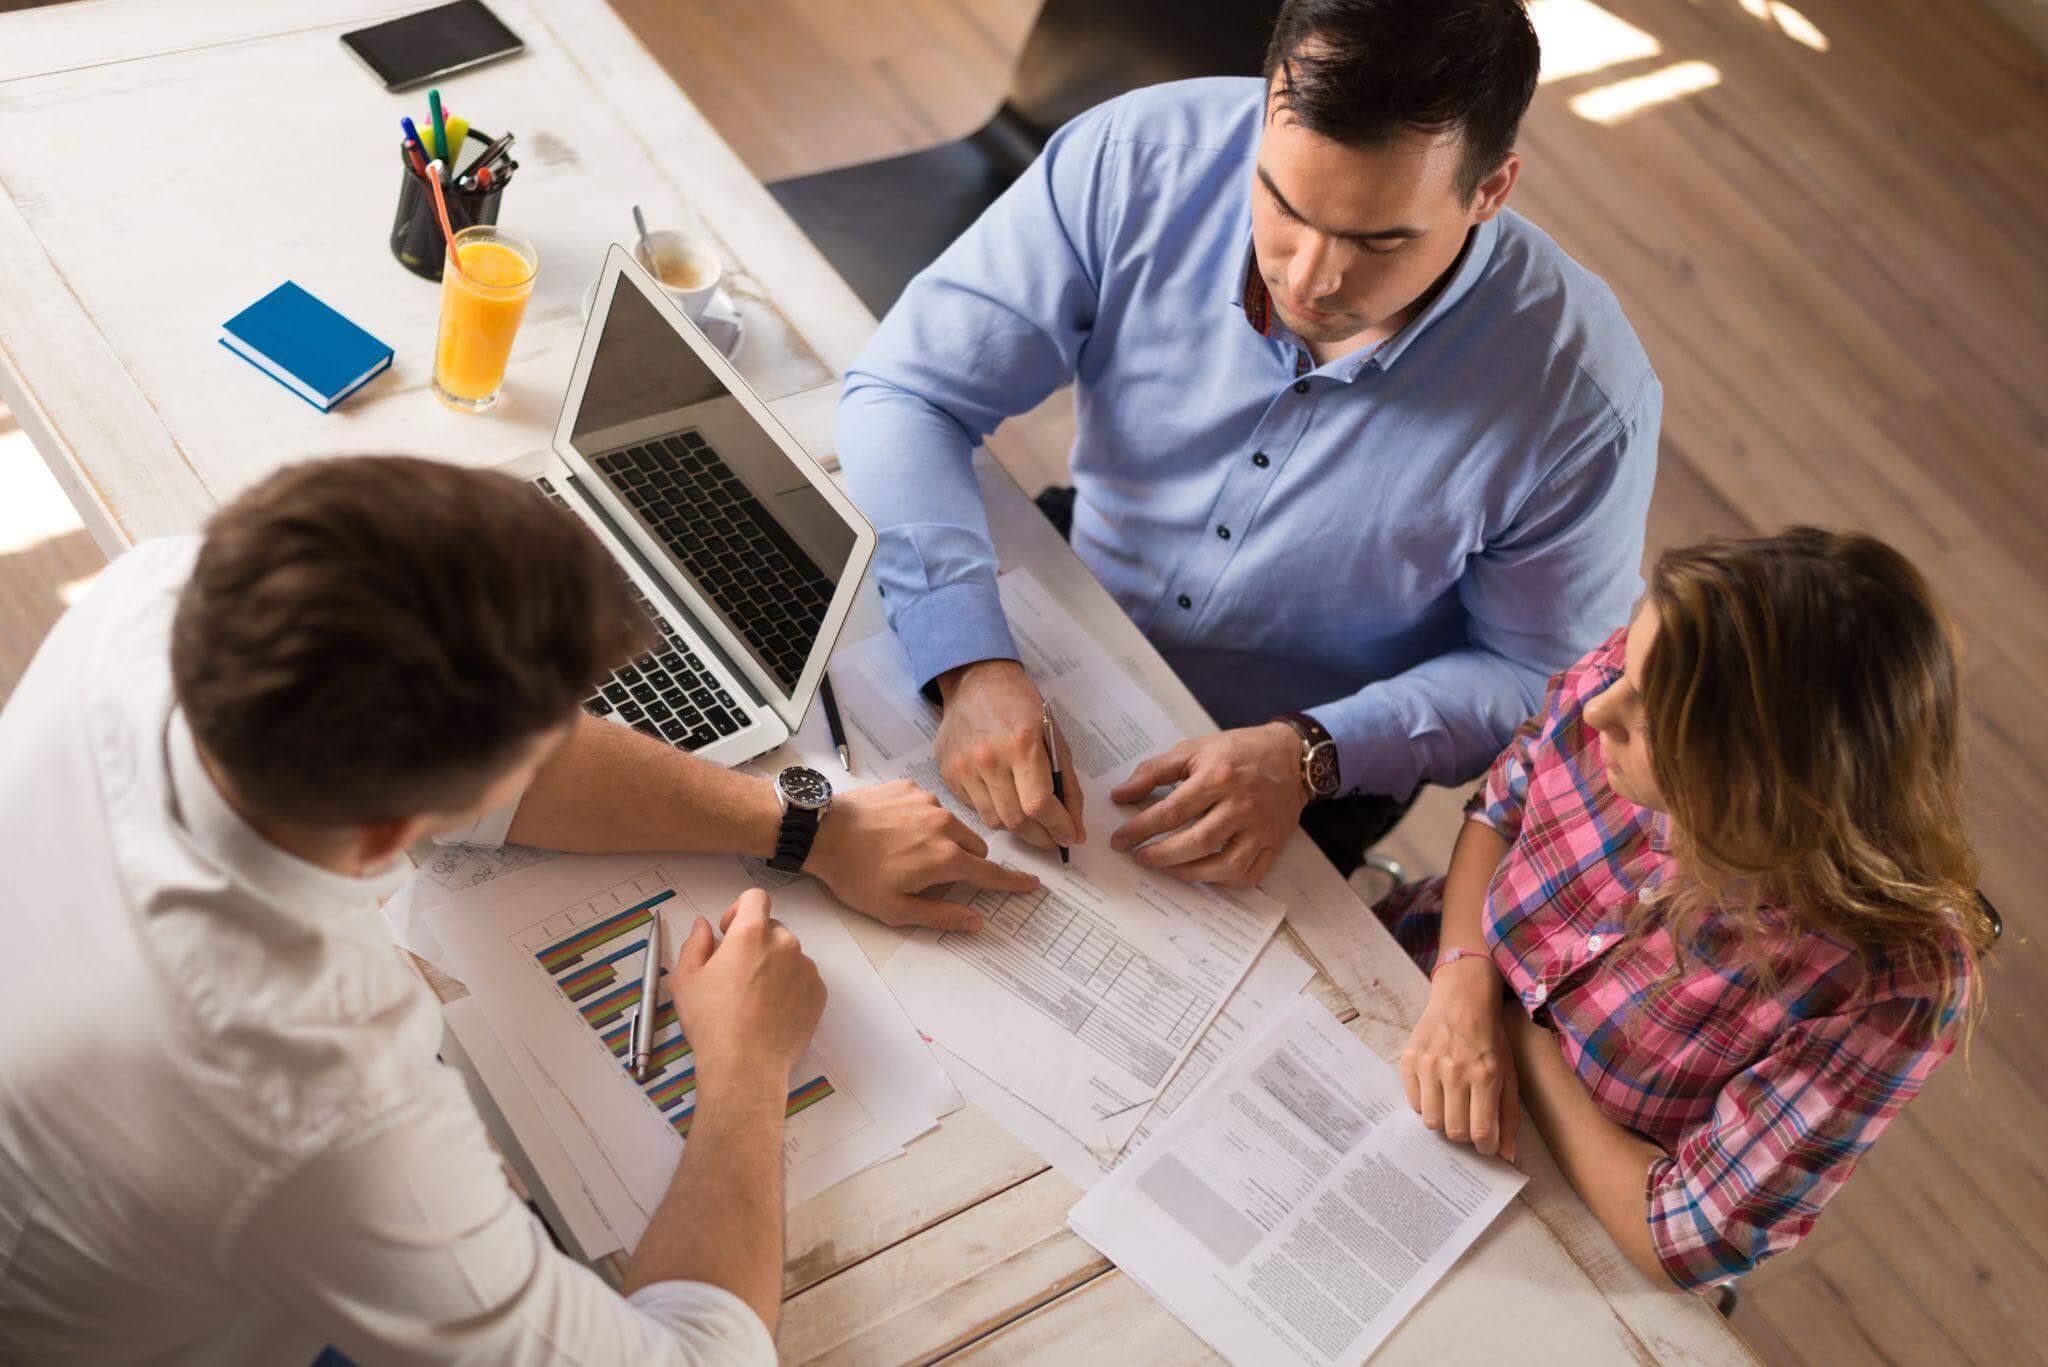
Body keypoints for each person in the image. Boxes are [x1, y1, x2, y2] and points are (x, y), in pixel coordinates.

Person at [0, 456, 1038, 1365]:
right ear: (384, 837)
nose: (569, 740)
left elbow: (513, 769)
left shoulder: (167, 591)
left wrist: (801, 823)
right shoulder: (316, 1101)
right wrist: (741, 1073)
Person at [837, 0, 1660, 883]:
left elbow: (1538, 671)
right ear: (1268, 104)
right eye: (1283, 203)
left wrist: (1311, 753)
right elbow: (908, 389)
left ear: (1491, 189)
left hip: (1309, 755)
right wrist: (969, 659)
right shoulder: (1139, 159)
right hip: (1070, 605)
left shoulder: (1583, 404)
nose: (1308, 278)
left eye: (1378, 241)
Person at [1383, 528, 1992, 1290]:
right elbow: (1497, 812)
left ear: (1762, 783)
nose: (1600, 707)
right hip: (1401, 975)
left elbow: (1687, 1232)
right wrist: (1465, 974)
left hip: (1544, 1218)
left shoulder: (1889, 982)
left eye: (1648, 715)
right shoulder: (1644, 665)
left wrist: (1506, 1028)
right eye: (1625, 671)